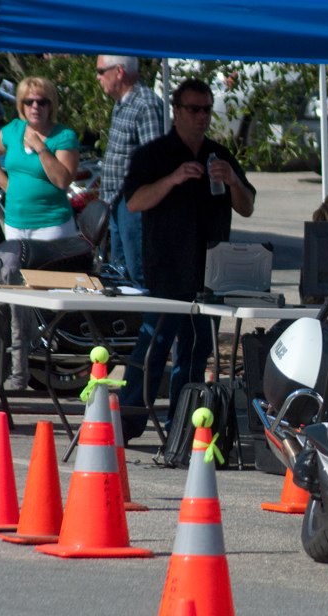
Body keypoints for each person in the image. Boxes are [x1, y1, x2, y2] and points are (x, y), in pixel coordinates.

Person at [118, 79, 256, 443]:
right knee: (152, 348)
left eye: (207, 109)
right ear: (176, 112)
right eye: (193, 109)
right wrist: (174, 178)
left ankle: (182, 426)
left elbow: (247, 207)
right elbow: (133, 202)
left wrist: (233, 183)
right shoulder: (155, 154)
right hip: (166, 268)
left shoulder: (219, 154)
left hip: (209, 272)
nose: (201, 117)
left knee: (195, 353)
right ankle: (127, 424)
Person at [0, 76, 81, 389]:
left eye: (42, 101)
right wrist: (5, 183)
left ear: (51, 105)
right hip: (15, 223)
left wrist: (40, 149)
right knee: (16, 297)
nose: (35, 107)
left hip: (51, 227)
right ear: (21, 105)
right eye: (29, 102)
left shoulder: (63, 135)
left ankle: (58, 357)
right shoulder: (12, 130)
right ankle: (20, 364)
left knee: (47, 297)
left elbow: (63, 180)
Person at [96, 55, 164, 287]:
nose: (98, 77)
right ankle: (129, 322)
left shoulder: (146, 104)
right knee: (119, 272)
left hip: (135, 203)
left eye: (100, 71)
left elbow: (154, 160)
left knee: (139, 272)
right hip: (116, 201)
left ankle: (149, 323)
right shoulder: (122, 103)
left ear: (119, 71)